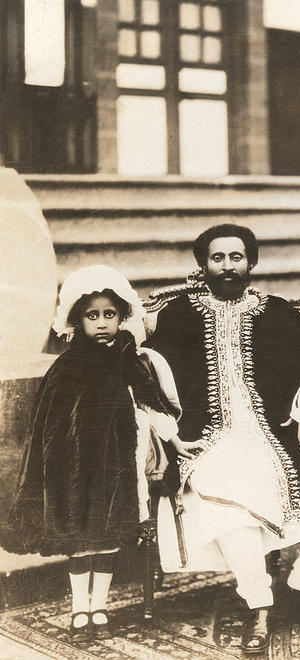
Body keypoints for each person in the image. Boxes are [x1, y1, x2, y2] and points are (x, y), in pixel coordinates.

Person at [144, 224, 300, 654]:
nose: (228, 266)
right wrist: (168, 433)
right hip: (208, 438)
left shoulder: (276, 312)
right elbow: (149, 382)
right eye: (218, 258)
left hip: (279, 433)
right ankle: (259, 603)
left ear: (251, 263)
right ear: (203, 265)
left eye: (236, 257)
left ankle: (299, 585)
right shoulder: (178, 316)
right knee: (224, 491)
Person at [1, 265, 180, 643]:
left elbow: (150, 405)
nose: (101, 323)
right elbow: (50, 427)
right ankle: (79, 607)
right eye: (92, 316)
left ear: (122, 317)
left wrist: (173, 438)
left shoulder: (130, 361)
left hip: (118, 466)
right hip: (77, 470)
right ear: (77, 320)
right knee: (80, 540)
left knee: (109, 537)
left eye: (109, 315)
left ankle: (100, 606)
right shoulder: (67, 367)